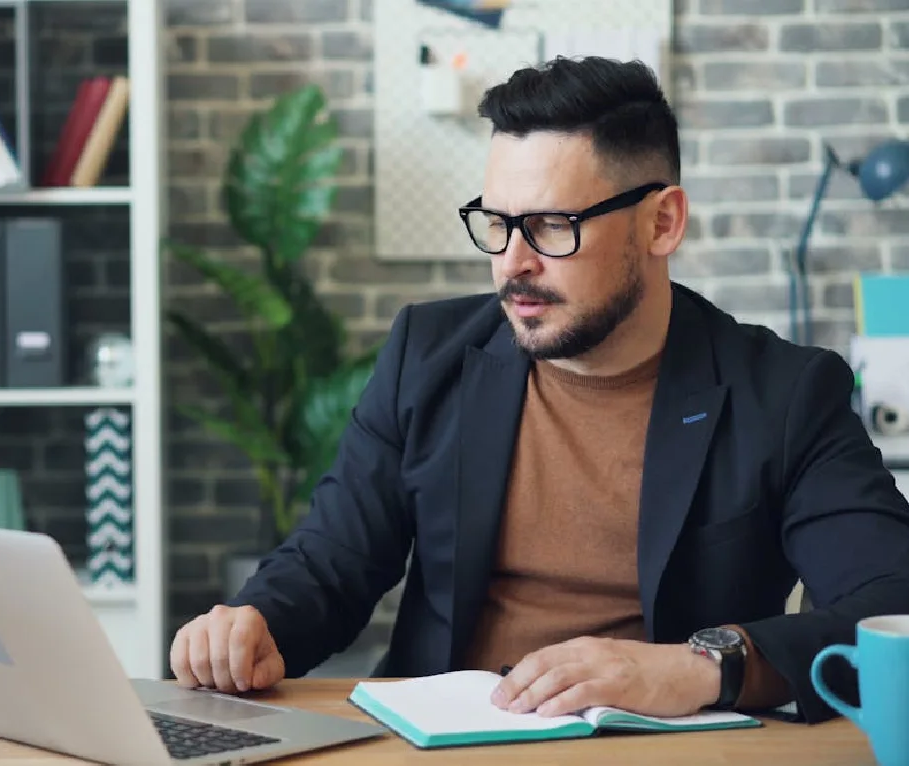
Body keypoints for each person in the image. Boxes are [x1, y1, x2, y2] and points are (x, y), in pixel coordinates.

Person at [169, 55, 909, 724]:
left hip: (659, 750)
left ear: (662, 222)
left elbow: (894, 600)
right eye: (497, 222)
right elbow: (333, 561)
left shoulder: (783, 394)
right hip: (433, 745)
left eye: (552, 226)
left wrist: (698, 665)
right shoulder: (427, 355)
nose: (512, 263)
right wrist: (253, 624)